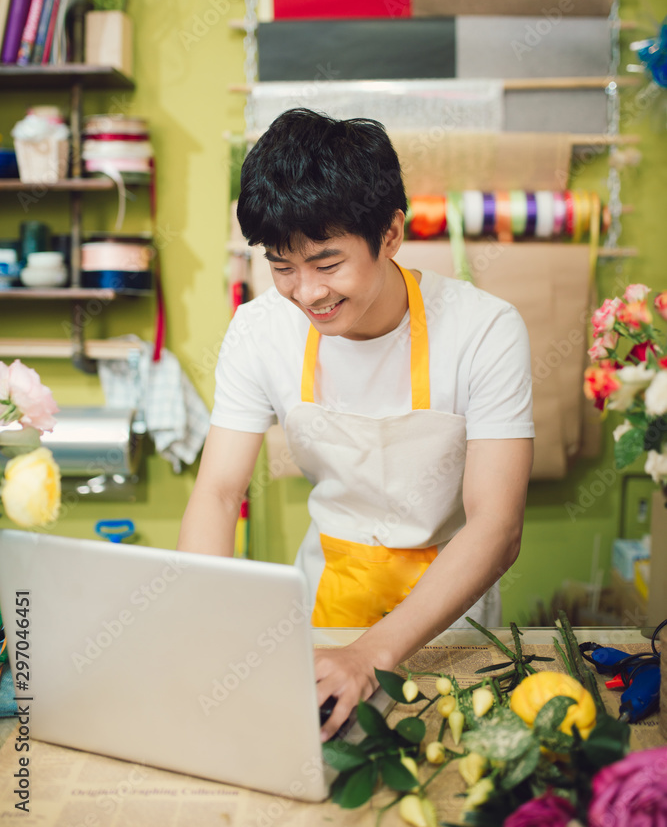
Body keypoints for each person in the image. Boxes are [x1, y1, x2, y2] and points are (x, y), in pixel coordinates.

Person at [178, 108, 534, 740]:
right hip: (324, 607)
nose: (307, 293)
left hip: (449, 620)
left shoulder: (484, 330)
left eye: (326, 263)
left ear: (391, 233)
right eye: (282, 267)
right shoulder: (260, 330)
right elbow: (218, 491)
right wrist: (202, 626)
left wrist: (371, 655)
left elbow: (497, 525)